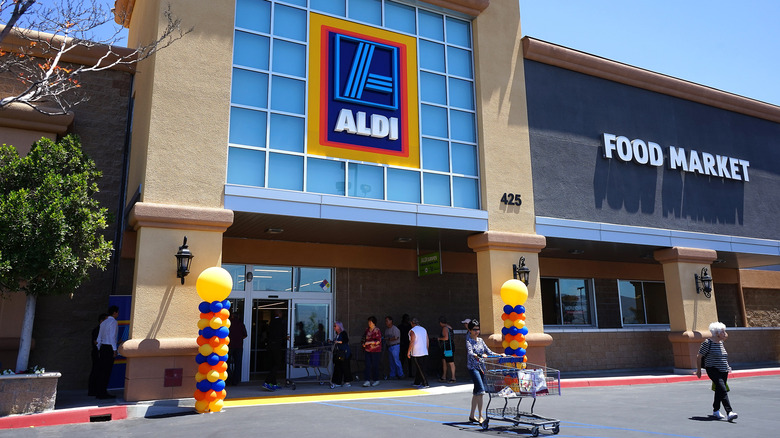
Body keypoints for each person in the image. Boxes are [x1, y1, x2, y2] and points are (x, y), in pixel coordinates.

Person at [695, 322, 738, 422]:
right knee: (722, 389)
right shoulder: (707, 343)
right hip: (713, 369)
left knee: (719, 390)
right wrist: (698, 370)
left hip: (724, 369)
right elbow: (699, 356)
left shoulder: (721, 342)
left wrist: (722, 332)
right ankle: (729, 412)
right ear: (717, 333)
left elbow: (726, 336)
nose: (725, 333)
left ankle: (716, 410)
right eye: (722, 332)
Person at [465, 319, 502, 424]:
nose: (477, 331)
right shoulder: (468, 340)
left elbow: (489, 351)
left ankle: (472, 415)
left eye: (478, 329)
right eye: (474, 329)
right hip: (473, 368)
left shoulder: (481, 340)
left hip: (482, 368)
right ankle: (481, 416)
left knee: (476, 392)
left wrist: (499, 355)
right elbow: (470, 352)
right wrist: (480, 355)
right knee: (481, 391)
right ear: (470, 330)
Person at [95, 305, 119, 399]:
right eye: (117, 312)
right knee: (106, 371)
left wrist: (98, 347)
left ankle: (99, 392)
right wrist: (114, 349)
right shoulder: (113, 322)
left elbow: (99, 336)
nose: (118, 314)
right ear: (114, 313)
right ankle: (103, 393)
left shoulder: (103, 322)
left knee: (102, 371)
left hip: (103, 347)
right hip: (109, 347)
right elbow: (112, 336)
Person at [263, 309, 287, 391]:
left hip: (270, 345)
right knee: (277, 364)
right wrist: (286, 337)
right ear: (279, 314)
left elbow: (268, 333)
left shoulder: (271, 322)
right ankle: (267, 381)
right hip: (277, 345)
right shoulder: (282, 322)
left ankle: (273, 383)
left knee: (273, 364)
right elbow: (283, 333)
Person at [87, 313, 108, 396]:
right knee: (96, 371)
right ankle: (92, 391)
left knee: (100, 372)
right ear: (101, 321)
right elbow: (96, 342)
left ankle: (98, 390)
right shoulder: (97, 330)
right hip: (97, 353)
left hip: (101, 353)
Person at [407, 317, 429, 388]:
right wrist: (427, 349)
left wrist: (408, 351)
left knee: (420, 368)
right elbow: (427, 340)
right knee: (419, 368)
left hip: (417, 352)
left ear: (411, 323)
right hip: (424, 351)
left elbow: (412, 341)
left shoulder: (412, 331)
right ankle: (417, 382)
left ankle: (425, 383)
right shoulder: (423, 329)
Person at [227, 312, 248, 386]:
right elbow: (245, 335)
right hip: (238, 346)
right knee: (237, 364)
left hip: (229, 346)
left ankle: (228, 380)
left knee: (226, 364)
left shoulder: (228, 324)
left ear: (231, 316)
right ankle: (235, 381)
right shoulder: (241, 324)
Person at [362, 316, 382, 387]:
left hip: (375, 351)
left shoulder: (377, 330)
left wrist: (370, 342)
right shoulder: (367, 330)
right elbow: (364, 337)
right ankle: (367, 380)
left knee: (375, 365)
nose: (369, 323)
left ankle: (376, 380)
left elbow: (378, 341)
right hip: (367, 350)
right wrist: (363, 343)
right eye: (369, 322)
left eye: (370, 322)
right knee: (367, 365)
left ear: (374, 323)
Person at [331, 321, 352, 387]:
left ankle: (347, 382)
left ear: (339, 327)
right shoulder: (337, 334)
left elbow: (346, 340)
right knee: (338, 367)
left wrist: (338, 342)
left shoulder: (343, 333)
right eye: (334, 326)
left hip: (345, 353)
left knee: (345, 367)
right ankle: (337, 382)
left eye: (335, 326)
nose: (334, 327)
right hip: (339, 353)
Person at [437, 316, 456, 383]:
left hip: (447, 347)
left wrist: (439, 338)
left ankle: (453, 377)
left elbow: (446, 338)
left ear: (440, 323)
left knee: (450, 362)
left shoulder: (445, 328)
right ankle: (444, 376)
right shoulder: (449, 327)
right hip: (450, 346)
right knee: (444, 361)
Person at [398, 314, 412, 378]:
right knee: (402, 360)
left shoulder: (410, 326)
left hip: (409, 344)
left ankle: (410, 373)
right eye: (406, 319)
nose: (407, 320)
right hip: (403, 345)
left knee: (410, 361)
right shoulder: (400, 327)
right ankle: (400, 373)